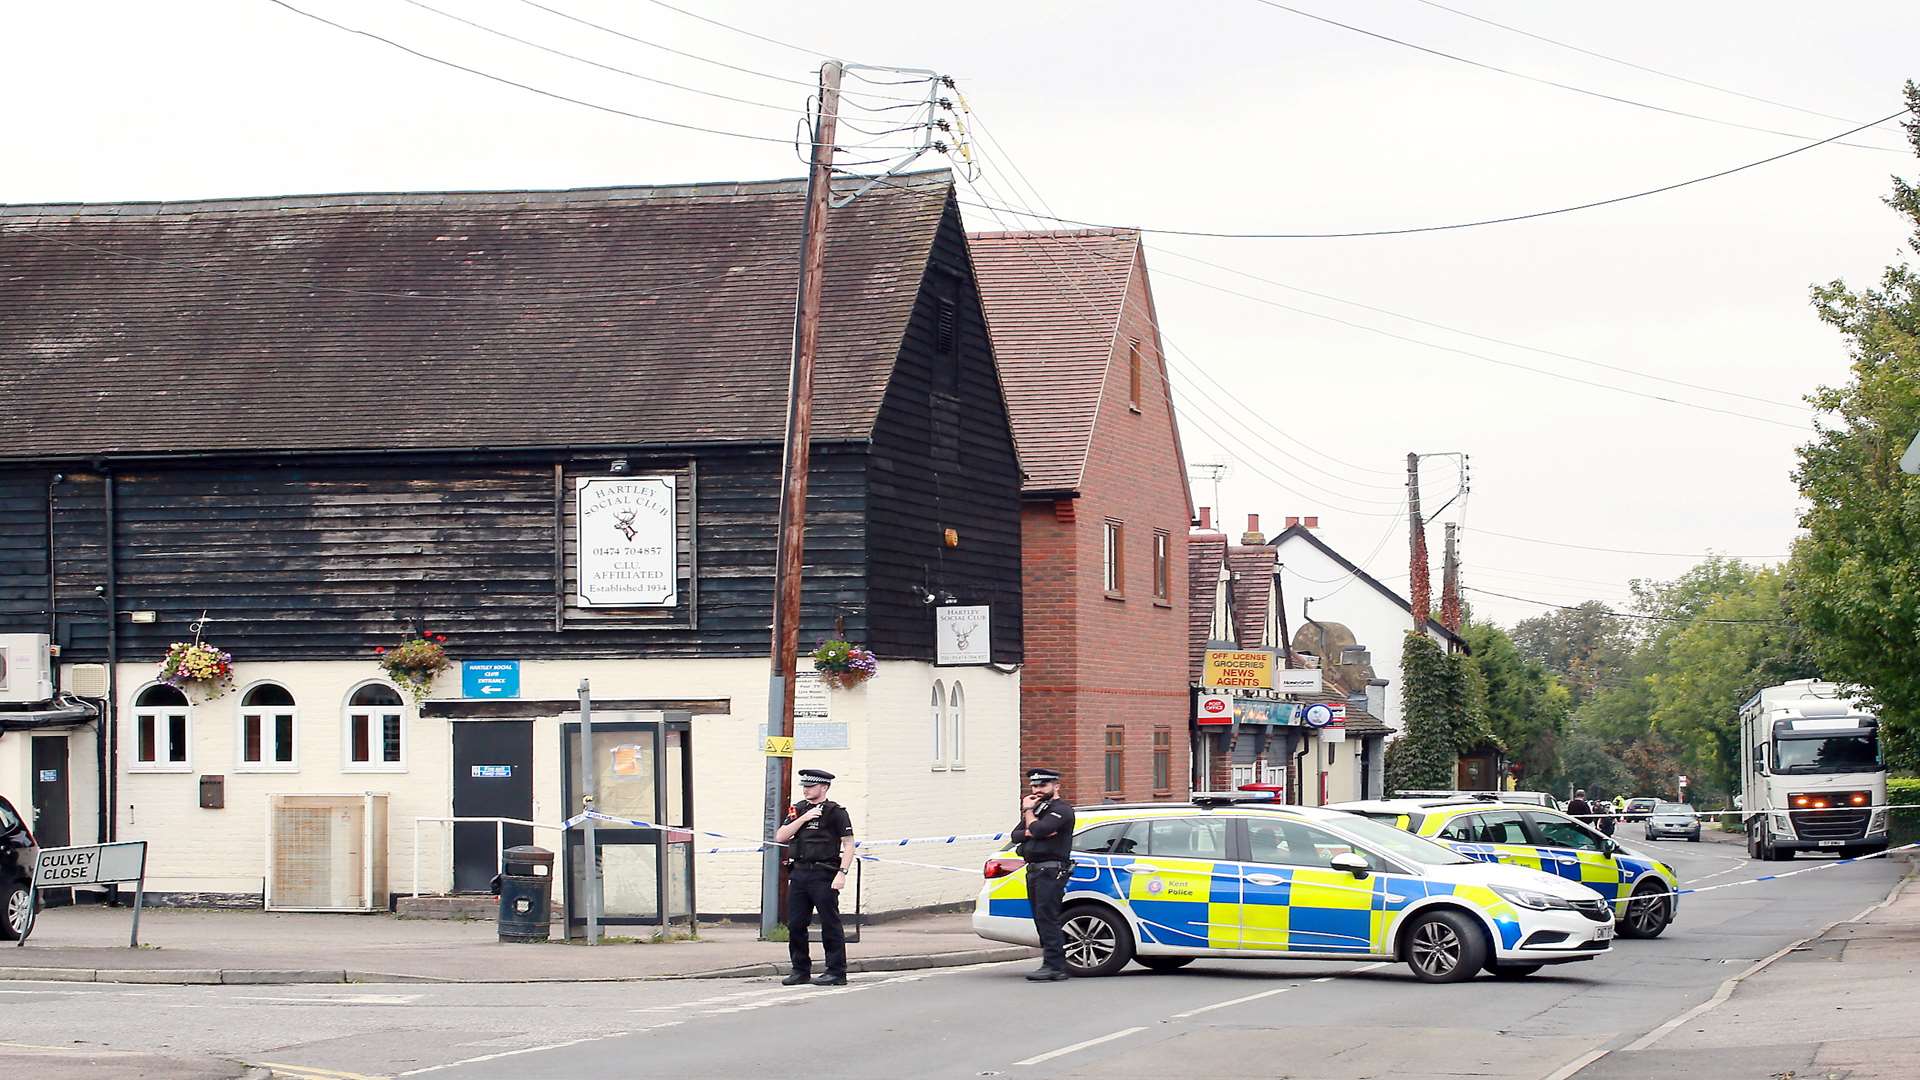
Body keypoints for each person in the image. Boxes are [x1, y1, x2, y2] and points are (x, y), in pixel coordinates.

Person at [775, 767, 855, 986]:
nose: (806, 790)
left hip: (824, 873)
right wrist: (804, 818)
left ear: (824, 787)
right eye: (804, 786)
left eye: (810, 787)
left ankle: (836, 971)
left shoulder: (835, 812)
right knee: (796, 924)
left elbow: (848, 844)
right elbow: (781, 836)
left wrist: (842, 873)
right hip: (799, 873)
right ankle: (800, 969)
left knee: (830, 923)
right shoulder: (798, 810)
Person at [1010, 767, 1075, 982]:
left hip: (1051, 870)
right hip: (1035, 870)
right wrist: (1033, 826)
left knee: (1048, 918)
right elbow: (1016, 835)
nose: (1036, 789)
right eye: (1034, 786)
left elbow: (1039, 831)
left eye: (1042, 785)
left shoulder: (1061, 809)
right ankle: (1050, 963)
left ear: (1056, 786)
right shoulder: (1039, 809)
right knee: (1040, 919)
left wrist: (1029, 815)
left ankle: (1055, 966)